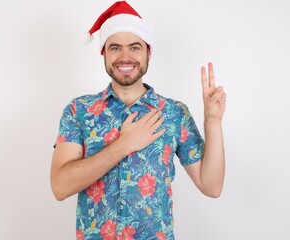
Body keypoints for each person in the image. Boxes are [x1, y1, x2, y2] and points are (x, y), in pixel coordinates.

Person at [50, 1, 226, 239]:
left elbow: (211, 186)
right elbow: (60, 187)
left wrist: (213, 121)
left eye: (134, 47)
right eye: (115, 48)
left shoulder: (174, 113)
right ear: (103, 53)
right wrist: (123, 145)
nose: (125, 57)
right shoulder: (78, 110)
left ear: (148, 52)